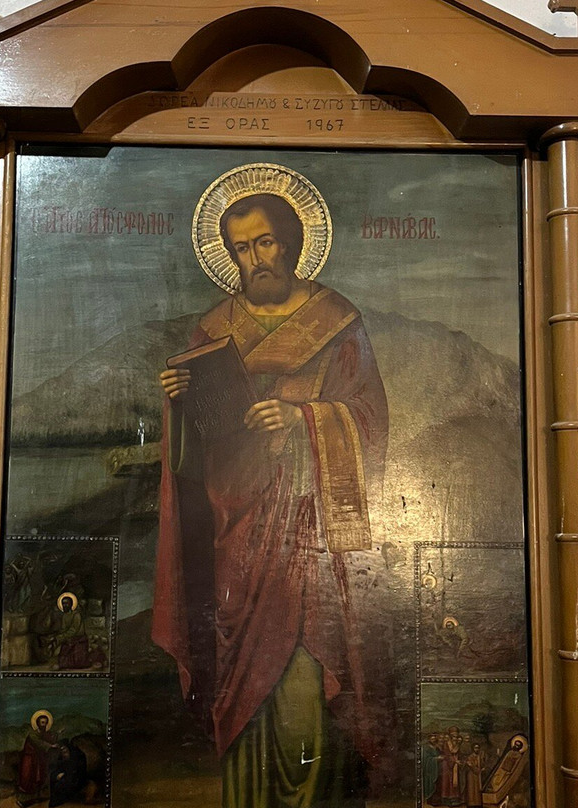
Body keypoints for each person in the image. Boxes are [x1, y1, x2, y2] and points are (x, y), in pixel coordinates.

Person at [153, 188, 391, 808]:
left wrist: (303, 419)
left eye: (264, 242)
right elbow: (196, 455)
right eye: (241, 248)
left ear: (290, 242)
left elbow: (370, 418)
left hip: (307, 531)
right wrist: (179, 403)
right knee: (242, 693)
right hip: (235, 533)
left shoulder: (336, 321)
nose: (255, 259)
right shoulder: (211, 329)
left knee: (303, 691)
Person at [18, 712, 58, 806]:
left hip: (39, 758)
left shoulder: (45, 733)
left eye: (45, 723)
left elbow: (50, 739)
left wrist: (56, 735)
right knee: (29, 776)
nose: (44, 725)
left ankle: (38, 796)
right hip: (30, 758)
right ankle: (26, 799)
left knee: (41, 776)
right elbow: (39, 742)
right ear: (38, 723)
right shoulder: (33, 734)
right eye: (42, 722)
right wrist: (50, 746)